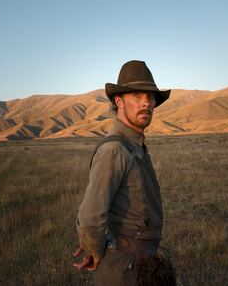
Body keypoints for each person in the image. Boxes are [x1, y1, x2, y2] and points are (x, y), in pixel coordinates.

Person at [73, 60, 175, 285]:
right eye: (137, 96)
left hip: (140, 263)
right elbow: (90, 218)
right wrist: (97, 252)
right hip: (123, 270)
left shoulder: (135, 145)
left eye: (150, 97)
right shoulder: (114, 149)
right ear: (118, 101)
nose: (146, 103)